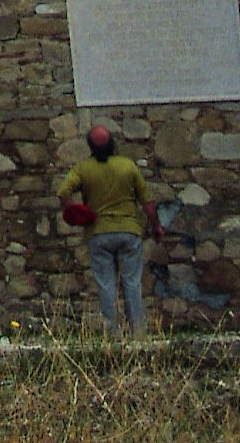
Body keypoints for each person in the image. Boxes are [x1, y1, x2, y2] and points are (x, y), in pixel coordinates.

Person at [56, 123, 164, 335]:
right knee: (132, 283)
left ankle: (113, 333)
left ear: (90, 147)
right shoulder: (128, 166)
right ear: (113, 144)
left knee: (106, 284)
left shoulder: (83, 169)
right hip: (129, 231)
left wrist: (76, 211)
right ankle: (138, 333)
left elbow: (63, 192)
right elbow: (147, 201)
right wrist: (156, 225)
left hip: (99, 232)